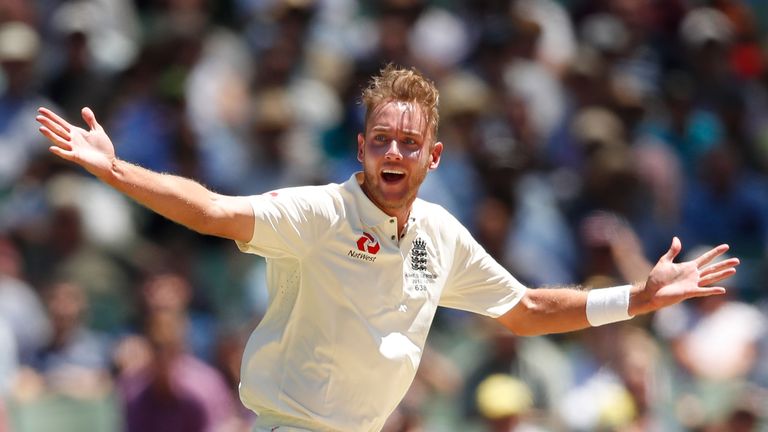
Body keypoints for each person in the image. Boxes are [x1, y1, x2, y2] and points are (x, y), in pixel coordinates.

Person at [35, 64, 739, 432]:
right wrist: (116, 168)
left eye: (410, 142)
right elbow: (215, 211)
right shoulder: (319, 212)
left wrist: (638, 299)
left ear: (432, 156)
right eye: (381, 139)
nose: (394, 152)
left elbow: (523, 308)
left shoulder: (440, 233)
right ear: (363, 147)